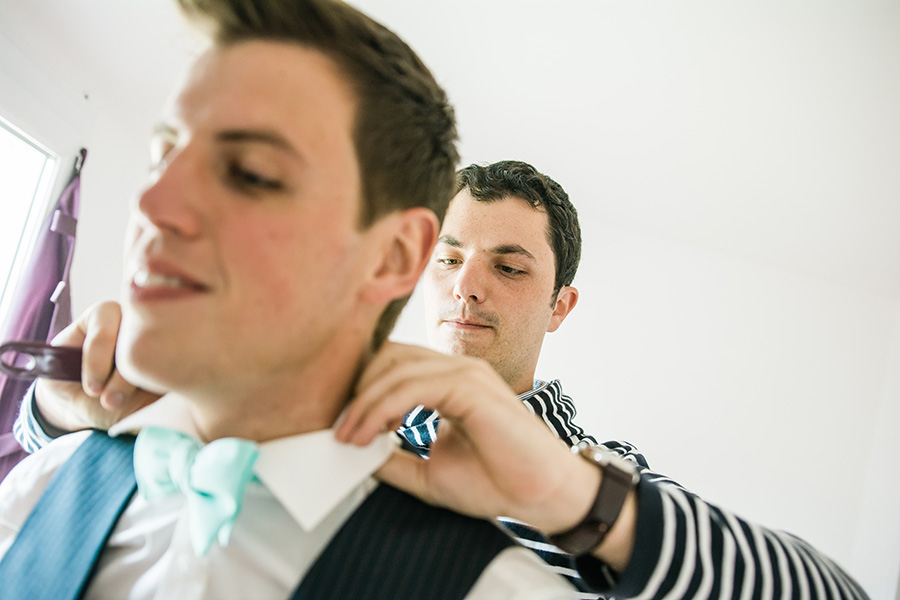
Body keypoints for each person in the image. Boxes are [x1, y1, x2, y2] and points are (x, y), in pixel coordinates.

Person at [13, 158, 871, 599]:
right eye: (451, 258)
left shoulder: (606, 481)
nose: (466, 284)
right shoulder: (306, 406)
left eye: (508, 266)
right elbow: (50, 489)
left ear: (561, 305)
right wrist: (66, 412)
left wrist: (572, 499)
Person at [0, 1, 580, 598]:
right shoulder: (48, 488)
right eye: (162, 154)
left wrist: (577, 500)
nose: (151, 202)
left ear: (392, 257)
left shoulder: (503, 578)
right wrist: (57, 415)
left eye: (251, 172)